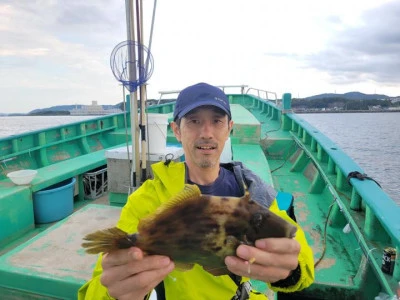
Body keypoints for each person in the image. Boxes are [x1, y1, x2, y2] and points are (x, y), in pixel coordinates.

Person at [78, 82, 314, 300]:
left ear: (229, 128)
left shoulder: (252, 189)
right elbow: (102, 283)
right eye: (194, 121)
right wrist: (114, 294)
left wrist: (291, 270)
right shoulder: (148, 198)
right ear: (177, 130)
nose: (206, 133)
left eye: (217, 121)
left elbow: (297, 249)